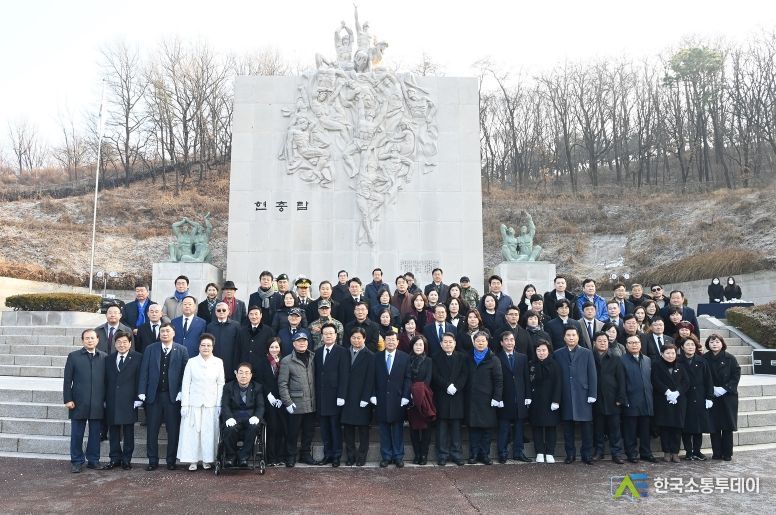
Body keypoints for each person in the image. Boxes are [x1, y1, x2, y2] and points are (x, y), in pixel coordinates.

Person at [138, 322, 189, 471]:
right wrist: (142, 390)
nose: (165, 334)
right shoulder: (150, 349)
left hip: (172, 398)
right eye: (162, 331)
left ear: (174, 333)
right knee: (152, 430)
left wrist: (181, 391)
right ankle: (152, 460)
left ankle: (171, 460)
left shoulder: (182, 350)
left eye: (167, 331)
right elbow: (144, 371)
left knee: (173, 430)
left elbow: (185, 374)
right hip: (153, 396)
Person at [178, 333, 225, 470]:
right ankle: (192, 460)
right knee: (193, 432)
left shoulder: (218, 362)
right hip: (193, 403)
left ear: (213, 347)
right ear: (199, 347)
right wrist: (184, 404)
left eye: (209, 345)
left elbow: (220, 383)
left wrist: (219, 403)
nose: (206, 348)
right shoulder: (192, 362)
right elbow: (186, 383)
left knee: (208, 433)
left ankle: (207, 460)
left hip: (211, 404)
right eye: (203, 345)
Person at [63, 329, 107, 473]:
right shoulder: (74, 356)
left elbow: (107, 381)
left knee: (95, 434)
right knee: (77, 434)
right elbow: (67, 380)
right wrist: (68, 399)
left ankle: (93, 460)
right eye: (87, 338)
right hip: (78, 402)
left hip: (97, 402)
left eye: (92, 338)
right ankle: (76, 461)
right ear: (82, 340)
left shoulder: (104, 357)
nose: (90, 340)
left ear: (97, 340)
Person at [554, 326, 597, 465]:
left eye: (574, 335)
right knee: (568, 428)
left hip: (583, 394)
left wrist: (592, 393)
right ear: (564, 337)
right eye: (568, 335)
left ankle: (587, 455)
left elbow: (592, 374)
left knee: (586, 428)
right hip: (566, 394)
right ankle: (570, 454)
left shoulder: (587, 353)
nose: (571, 337)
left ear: (578, 337)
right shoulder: (557, 353)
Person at [103, 330, 142, 470]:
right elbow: (105, 380)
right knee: (113, 431)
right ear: (115, 344)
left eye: (125, 342)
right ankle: (114, 458)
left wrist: (138, 397)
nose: (122, 345)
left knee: (128, 432)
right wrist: (104, 398)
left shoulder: (138, 357)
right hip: (112, 399)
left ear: (130, 343)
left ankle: (126, 459)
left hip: (129, 400)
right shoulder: (108, 359)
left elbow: (140, 378)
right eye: (119, 342)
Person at [278, 333, 317, 467]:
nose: (302, 343)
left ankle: (305, 455)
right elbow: (282, 384)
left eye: (304, 341)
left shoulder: (313, 357)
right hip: (296, 403)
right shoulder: (287, 361)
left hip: (311, 402)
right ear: (293, 344)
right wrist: (287, 402)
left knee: (308, 432)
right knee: (292, 432)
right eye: (299, 341)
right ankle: (290, 456)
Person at [373, 332, 411, 467]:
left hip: (398, 398)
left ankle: (398, 456)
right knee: (383, 429)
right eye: (388, 340)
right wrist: (372, 394)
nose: (390, 342)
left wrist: (406, 396)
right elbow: (372, 377)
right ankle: (386, 456)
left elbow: (408, 378)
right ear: (384, 341)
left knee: (397, 429)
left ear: (397, 342)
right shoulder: (376, 357)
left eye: (393, 340)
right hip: (381, 398)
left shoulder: (405, 357)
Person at [314, 323, 350, 467]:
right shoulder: (317, 352)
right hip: (321, 397)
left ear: (336, 335)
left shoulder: (342, 351)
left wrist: (342, 395)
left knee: (335, 428)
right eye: (325, 333)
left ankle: (336, 455)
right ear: (321, 336)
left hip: (335, 397)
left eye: (331, 333)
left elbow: (344, 375)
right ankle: (327, 454)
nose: (328, 336)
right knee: (324, 429)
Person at [466, 331, 503, 465]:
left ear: (487, 342)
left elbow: (499, 381)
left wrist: (497, 397)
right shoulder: (468, 357)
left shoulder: (494, 359)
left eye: (483, 341)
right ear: (474, 342)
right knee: (473, 428)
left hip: (488, 399)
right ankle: (474, 454)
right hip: (472, 399)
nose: (480, 343)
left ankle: (485, 455)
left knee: (487, 429)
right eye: (478, 341)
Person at [432, 332, 468, 466]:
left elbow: (464, 374)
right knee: (441, 429)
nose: (448, 344)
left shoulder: (462, 357)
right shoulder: (435, 357)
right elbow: (435, 375)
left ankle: (456, 454)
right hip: (442, 395)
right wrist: (446, 386)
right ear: (441, 344)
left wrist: (456, 387)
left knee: (456, 429)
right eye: (445, 342)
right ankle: (442, 455)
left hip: (457, 396)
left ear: (455, 343)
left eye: (450, 342)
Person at [620, 335, 657, 463]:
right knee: (630, 430)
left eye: (636, 342)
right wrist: (624, 399)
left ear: (640, 344)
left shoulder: (647, 360)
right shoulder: (621, 360)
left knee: (645, 429)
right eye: (631, 343)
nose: (634, 345)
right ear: (626, 345)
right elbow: (621, 382)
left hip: (646, 400)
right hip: (631, 400)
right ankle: (631, 453)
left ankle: (646, 453)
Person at [496, 328, 532, 463]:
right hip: (504, 398)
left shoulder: (522, 357)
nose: (509, 342)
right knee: (504, 427)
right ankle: (502, 453)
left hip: (520, 397)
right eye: (506, 340)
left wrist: (528, 396)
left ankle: (518, 452)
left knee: (519, 427)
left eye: (512, 340)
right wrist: (498, 398)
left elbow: (526, 378)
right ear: (501, 343)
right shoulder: (497, 357)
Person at [591, 332, 627, 464]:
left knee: (615, 428)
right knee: (598, 428)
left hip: (613, 399)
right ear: (594, 343)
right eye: (599, 341)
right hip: (596, 398)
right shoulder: (590, 357)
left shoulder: (616, 358)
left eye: (605, 341)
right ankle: (599, 451)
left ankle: (616, 453)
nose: (602, 343)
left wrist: (620, 397)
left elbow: (621, 380)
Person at [220, 363, 265, 468]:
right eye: (240, 373)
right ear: (236, 374)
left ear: (251, 375)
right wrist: (228, 417)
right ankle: (231, 457)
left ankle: (243, 457)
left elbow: (261, 406)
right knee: (229, 429)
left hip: (251, 418)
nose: (243, 376)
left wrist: (257, 417)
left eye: (246, 373)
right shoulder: (228, 387)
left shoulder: (257, 387)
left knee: (254, 427)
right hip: (234, 418)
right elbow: (225, 405)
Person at [341, 327, 375, 466]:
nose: (356, 340)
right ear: (350, 338)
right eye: (354, 338)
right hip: (347, 396)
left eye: (359, 338)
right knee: (348, 429)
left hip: (362, 397)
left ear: (364, 339)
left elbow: (370, 379)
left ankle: (362, 456)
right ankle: (350, 456)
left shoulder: (370, 355)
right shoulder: (344, 353)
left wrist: (366, 398)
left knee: (363, 430)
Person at [704, 334, 741, 461]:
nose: (714, 344)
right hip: (712, 396)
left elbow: (736, 375)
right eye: (711, 342)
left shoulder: (730, 358)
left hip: (728, 396)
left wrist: (725, 388)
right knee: (713, 426)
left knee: (727, 426)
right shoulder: (704, 358)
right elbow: (702, 376)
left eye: (717, 342)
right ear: (708, 344)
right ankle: (717, 452)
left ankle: (727, 453)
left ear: (722, 343)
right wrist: (711, 389)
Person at [651, 343, 689, 463]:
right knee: (665, 427)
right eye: (667, 353)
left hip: (679, 400)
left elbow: (686, 382)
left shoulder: (681, 366)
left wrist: (677, 393)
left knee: (677, 428)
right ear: (662, 354)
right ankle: (666, 452)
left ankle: (675, 452)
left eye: (673, 353)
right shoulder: (656, 365)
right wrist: (667, 392)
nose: (671, 355)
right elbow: (655, 380)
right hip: (663, 400)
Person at [678, 337, 714, 461]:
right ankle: (689, 452)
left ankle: (697, 451)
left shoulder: (702, 361)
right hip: (684, 397)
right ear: (682, 347)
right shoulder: (678, 361)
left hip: (699, 396)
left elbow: (708, 380)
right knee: (686, 426)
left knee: (699, 426)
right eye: (687, 345)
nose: (690, 347)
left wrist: (709, 397)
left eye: (692, 345)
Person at [253, 337, 286, 466]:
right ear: (268, 348)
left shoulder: (284, 361)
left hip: (283, 399)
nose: (274, 349)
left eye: (276, 347)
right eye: (272, 347)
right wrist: (269, 395)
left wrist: (282, 397)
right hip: (269, 399)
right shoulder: (262, 362)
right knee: (272, 428)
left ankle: (280, 457)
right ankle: (271, 458)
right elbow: (259, 380)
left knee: (282, 428)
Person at [528, 340, 562, 464]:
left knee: (550, 427)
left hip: (550, 401)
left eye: (543, 350)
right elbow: (528, 382)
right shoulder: (531, 364)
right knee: (536, 427)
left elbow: (558, 383)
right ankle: (539, 452)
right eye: (538, 350)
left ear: (548, 351)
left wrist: (556, 401)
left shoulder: (554, 364)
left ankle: (550, 452)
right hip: (535, 401)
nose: (541, 353)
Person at [407, 335, 434, 465]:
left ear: (425, 346)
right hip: (410, 398)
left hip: (425, 397)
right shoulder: (407, 359)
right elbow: (406, 378)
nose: (418, 347)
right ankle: (417, 454)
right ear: (412, 345)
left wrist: (419, 393)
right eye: (416, 344)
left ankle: (424, 454)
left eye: (421, 345)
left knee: (426, 428)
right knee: (413, 428)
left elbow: (428, 379)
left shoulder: (429, 361)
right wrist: (410, 393)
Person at [206, 302, 241, 383]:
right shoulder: (210, 326)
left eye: (224, 310)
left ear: (228, 311)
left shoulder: (236, 326)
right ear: (215, 312)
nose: (221, 312)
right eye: (219, 310)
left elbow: (238, 346)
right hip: (214, 365)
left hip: (231, 364)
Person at [239, 305, 276, 371]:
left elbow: (272, 350)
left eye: (256, 314)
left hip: (262, 368)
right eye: (251, 314)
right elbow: (237, 350)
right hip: (245, 368)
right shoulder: (242, 331)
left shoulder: (269, 331)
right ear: (248, 316)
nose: (254, 317)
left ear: (261, 315)